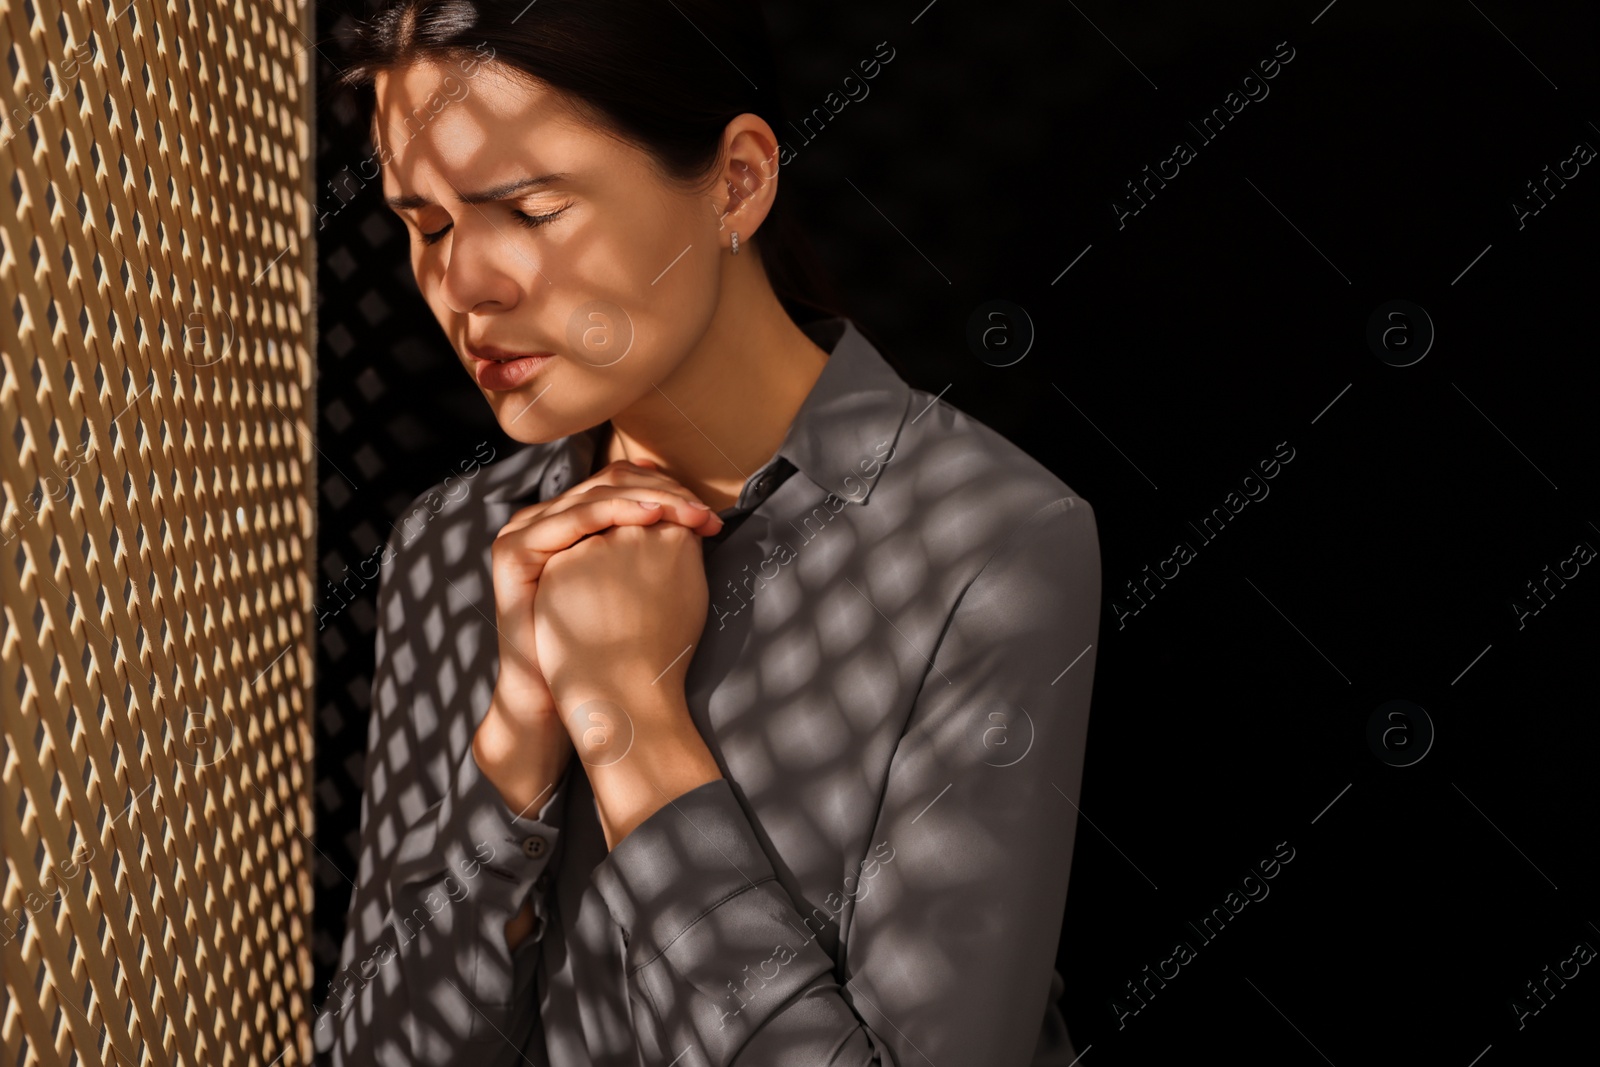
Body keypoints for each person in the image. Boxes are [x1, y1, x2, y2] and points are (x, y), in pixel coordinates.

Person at [319, 2, 1102, 1064]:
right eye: (428, 225)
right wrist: (512, 746)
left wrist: (634, 729)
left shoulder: (986, 543)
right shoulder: (457, 546)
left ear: (736, 180)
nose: (464, 286)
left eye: (533, 209)